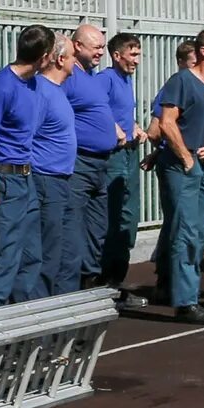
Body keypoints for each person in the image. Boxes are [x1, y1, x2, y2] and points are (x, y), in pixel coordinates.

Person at [62, 28, 147, 309]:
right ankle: (94, 284)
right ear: (117, 54)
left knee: (123, 220)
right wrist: (114, 130)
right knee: (105, 221)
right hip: (101, 159)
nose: (136, 60)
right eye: (131, 54)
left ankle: (108, 282)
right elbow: (94, 111)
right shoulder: (101, 79)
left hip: (120, 155)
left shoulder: (121, 80)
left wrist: (131, 127)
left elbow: (108, 111)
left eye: (138, 54)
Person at [151, 31, 204, 320]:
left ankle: (167, 286)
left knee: (196, 232)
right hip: (179, 166)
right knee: (186, 232)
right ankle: (186, 303)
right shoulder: (181, 81)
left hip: (201, 165)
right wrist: (185, 157)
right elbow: (167, 122)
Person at [0, 29, 52, 307]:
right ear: (44, 57)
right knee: (5, 259)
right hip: (5, 180)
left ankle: (21, 330)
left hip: (26, 178)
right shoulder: (1, 88)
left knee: (31, 257)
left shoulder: (32, 84)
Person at [29, 30, 85, 299]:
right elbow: (27, 135)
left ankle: (64, 316)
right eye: (73, 56)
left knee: (70, 254)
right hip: (46, 180)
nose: (76, 61)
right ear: (61, 59)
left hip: (64, 180)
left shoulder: (58, 91)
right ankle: (40, 321)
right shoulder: (41, 91)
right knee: (48, 256)